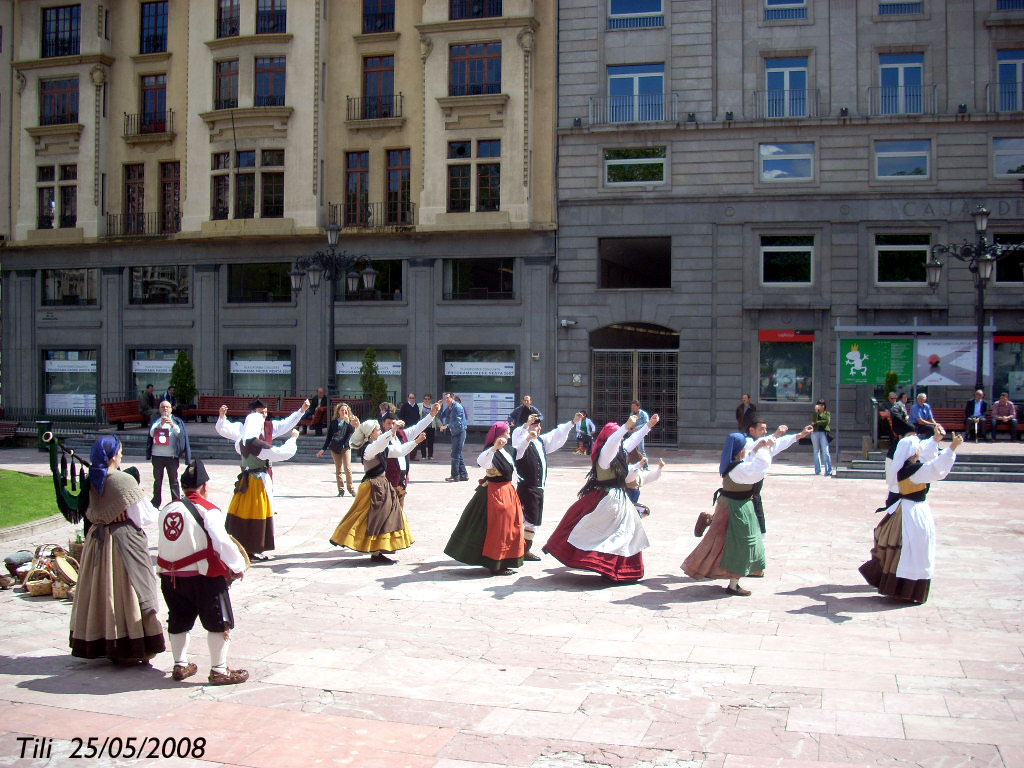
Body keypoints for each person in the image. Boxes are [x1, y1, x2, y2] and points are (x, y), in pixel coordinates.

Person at [682, 425, 810, 596]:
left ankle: (713, 524)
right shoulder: (740, 469)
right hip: (737, 509)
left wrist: (794, 436)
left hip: (732, 505)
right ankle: (733, 584)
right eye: (745, 447)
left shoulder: (736, 465)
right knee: (741, 545)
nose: (748, 448)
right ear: (739, 450)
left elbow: (757, 453)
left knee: (727, 542)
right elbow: (760, 465)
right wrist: (763, 448)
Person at [70, 436, 165, 664]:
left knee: (101, 590)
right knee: (132, 590)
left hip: (97, 541)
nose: (122, 454)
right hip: (123, 541)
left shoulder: (92, 479)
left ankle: (103, 641)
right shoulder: (123, 480)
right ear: (113, 456)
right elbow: (144, 516)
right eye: (120, 451)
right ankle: (132, 645)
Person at [157, 459, 249, 685]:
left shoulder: (167, 509)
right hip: (203, 577)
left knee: (178, 618)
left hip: (170, 577)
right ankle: (219, 670)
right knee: (219, 621)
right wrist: (237, 567)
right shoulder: (208, 510)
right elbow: (222, 542)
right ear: (205, 486)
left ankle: (180, 664)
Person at [543, 413, 659, 582]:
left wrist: (648, 426)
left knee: (625, 534)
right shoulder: (605, 454)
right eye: (618, 435)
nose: (621, 438)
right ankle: (604, 566)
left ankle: (618, 569)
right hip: (605, 500)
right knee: (605, 535)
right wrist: (624, 427)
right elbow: (613, 442)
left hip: (618, 499)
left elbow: (631, 440)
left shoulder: (620, 450)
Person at [859, 426, 962, 604]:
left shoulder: (905, 467)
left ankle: (897, 589)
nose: (920, 449)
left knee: (904, 550)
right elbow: (935, 468)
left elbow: (926, 458)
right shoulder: (913, 471)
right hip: (913, 514)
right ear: (914, 452)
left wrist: (935, 440)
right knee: (913, 551)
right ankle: (905, 590)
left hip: (907, 510)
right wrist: (952, 448)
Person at [216, 399, 307, 561]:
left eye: (265, 412)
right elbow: (281, 453)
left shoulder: (241, 441)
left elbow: (285, 424)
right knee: (257, 513)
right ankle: (252, 547)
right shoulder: (255, 444)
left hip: (247, 480)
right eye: (260, 414)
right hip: (257, 482)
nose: (264, 416)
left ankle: (241, 545)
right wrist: (293, 439)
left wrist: (301, 411)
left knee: (243, 512)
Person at [329, 418, 424, 563]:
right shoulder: (368, 449)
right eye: (378, 430)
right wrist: (393, 430)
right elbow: (380, 444)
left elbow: (399, 451)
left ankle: (378, 550)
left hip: (382, 486)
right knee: (370, 518)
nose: (380, 431)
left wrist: (416, 442)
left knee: (384, 518)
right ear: (370, 434)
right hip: (373, 488)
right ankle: (374, 550)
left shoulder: (381, 447)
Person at [444, 422, 526, 575]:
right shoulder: (490, 451)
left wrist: (528, 439)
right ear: (499, 435)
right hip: (494, 494)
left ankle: (504, 560)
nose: (509, 435)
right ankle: (495, 563)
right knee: (497, 527)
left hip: (507, 491)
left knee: (508, 527)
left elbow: (519, 453)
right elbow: (482, 462)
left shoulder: (507, 450)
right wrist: (494, 448)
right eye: (507, 432)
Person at [511, 412, 583, 561]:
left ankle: (525, 549)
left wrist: (572, 422)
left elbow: (556, 434)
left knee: (533, 522)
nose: (538, 428)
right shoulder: (520, 445)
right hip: (527, 489)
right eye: (534, 425)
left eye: (539, 426)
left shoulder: (540, 442)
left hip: (539, 489)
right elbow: (517, 438)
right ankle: (514, 550)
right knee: (522, 520)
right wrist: (526, 427)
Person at [742, 420, 803, 535]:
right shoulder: (746, 442)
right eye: (762, 429)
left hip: (755, 487)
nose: (765, 432)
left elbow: (780, 443)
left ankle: (761, 533)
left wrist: (800, 435)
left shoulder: (765, 444)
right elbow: (755, 447)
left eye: (766, 429)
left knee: (756, 505)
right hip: (742, 486)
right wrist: (776, 434)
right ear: (751, 430)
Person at [378, 405, 440, 509]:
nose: (391, 426)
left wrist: (432, 414)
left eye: (394, 423)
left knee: (400, 512)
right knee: (388, 513)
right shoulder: (381, 440)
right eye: (388, 423)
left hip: (402, 481)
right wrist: (416, 442)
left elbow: (418, 427)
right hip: (388, 483)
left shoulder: (403, 434)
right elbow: (399, 451)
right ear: (383, 424)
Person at [148, 400, 192, 508]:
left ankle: (176, 502)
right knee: (157, 481)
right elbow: (151, 434)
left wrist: (172, 425)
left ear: (171, 409)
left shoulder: (177, 421)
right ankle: (156, 503)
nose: (165, 409)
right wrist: (161, 424)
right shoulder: (156, 421)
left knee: (174, 481)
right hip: (157, 456)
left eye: (167, 407)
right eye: (162, 407)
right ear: (159, 409)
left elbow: (181, 435)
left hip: (171, 456)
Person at [317, 402, 358, 496]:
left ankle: (351, 489)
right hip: (335, 447)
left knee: (347, 468)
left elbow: (352, 432)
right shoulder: (334, 422)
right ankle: (341, 490)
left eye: (345, 411)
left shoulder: (350, 421)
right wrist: (323, 449)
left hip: (346, 447)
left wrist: (348, 422)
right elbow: (329, 437)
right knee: (338, 469)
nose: (344, 412)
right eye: (342, 410)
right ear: (338, 412)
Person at [439, 391, 469, 482]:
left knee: (455, 454)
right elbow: (442, 416)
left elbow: (458, 422)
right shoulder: (449, 407)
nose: (446, 400)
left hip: (460, 432)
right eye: (445, 398)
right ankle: (464, 475)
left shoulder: (457, 407)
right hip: (454, 433)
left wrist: (447, 426)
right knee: (458, 453)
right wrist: (438, 407)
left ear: (452, 398)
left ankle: (455, 476)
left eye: (448, 398)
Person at [810, 399, 833, 476]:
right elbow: (813, 421)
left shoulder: (827, 413)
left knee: (825, 452)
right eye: (818, 405)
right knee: (816, 451)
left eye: (821, 405)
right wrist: (816, 412)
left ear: (824, 406)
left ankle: (828, 471)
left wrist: (817, 422)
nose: (819, 406)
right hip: (815, 433)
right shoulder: (815, 413)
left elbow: (826, 421)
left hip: (823, 433)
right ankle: (818, 470)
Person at [398, 393, 423, 458]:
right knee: (406, 441)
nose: (412, 399)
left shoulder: (416, 406)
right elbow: (400, 416)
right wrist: (403, 424)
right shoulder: (405, 405)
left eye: (413, 398)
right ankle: (405, 455)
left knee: (414, 440)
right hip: (406, 426)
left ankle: (413, 456)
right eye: (410, 398)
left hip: (414, 426)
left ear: (415, 398)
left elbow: (418, 416)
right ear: (408, 398)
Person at [417, 393, 437, 460]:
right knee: (423, 441)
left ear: (430, 399)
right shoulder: (419, 405)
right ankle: (423, 456)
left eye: (428, 399)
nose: (427, 400)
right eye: (425, 399)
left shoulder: (433, 406)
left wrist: (440, 425)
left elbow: (436, 417)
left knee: (430, 441)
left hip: (431, 426)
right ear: (423, 399)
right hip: (423, 426)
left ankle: (430, 455)